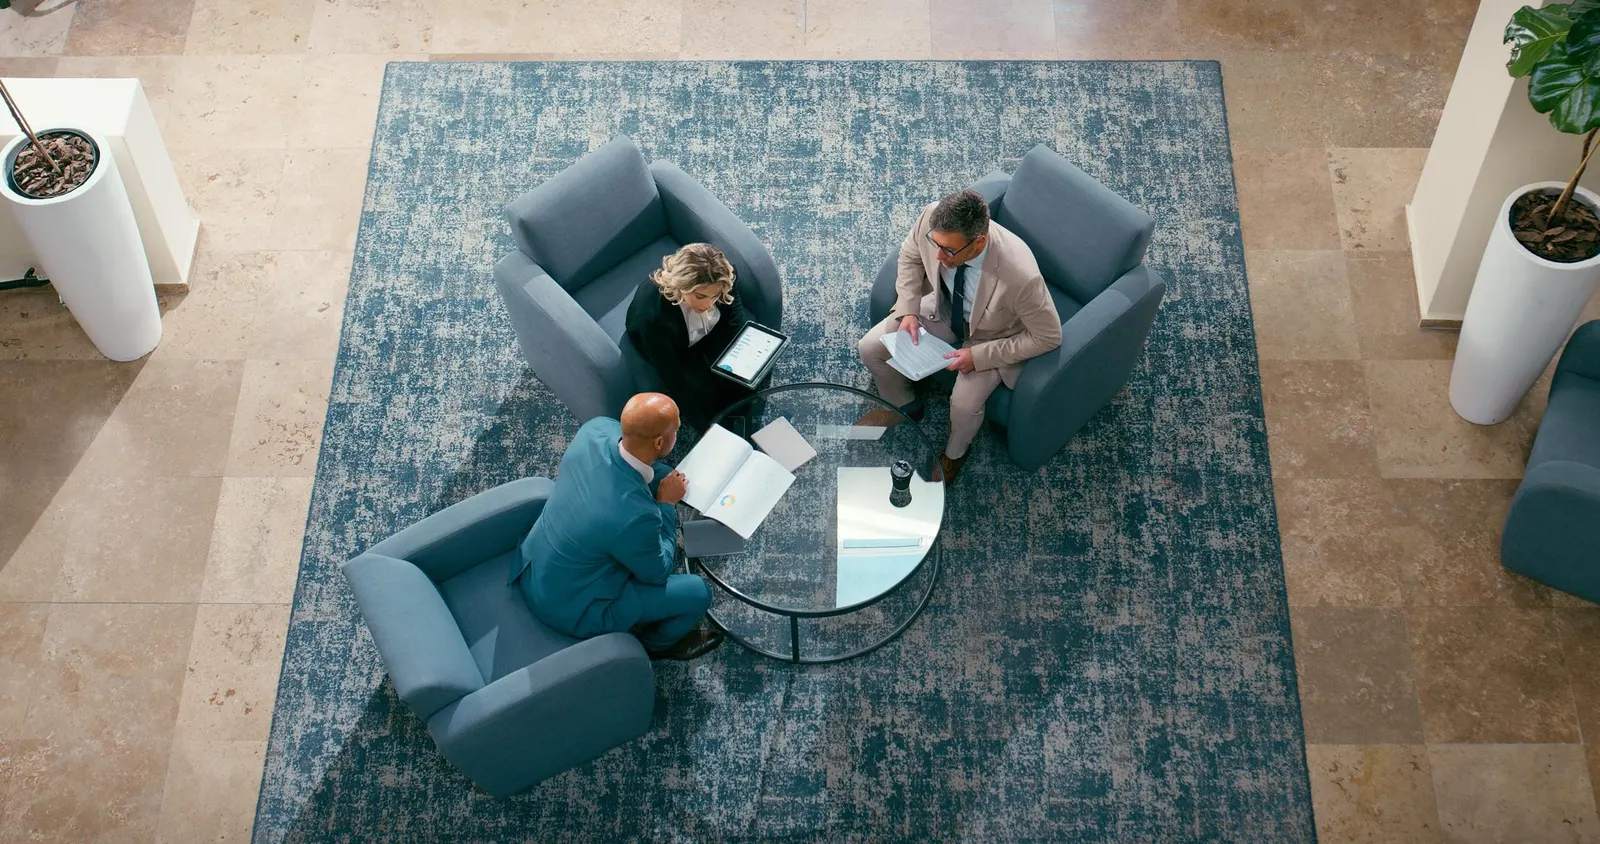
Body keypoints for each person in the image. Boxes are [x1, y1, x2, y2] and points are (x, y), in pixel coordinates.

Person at [856, 189, 1062, 484]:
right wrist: (909, 310)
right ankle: (904, 406)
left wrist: (978, 357)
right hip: (941, 309)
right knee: (870, 348)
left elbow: (1048, 336)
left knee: (964, 405)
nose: (939, 256)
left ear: (979, 242)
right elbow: (911, 255)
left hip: (992, 337)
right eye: (936, 245)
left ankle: (955, 454)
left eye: (949, 251)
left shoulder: (1022, 276)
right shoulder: (932, 216)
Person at [510, 392, 724, 661]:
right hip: (574, 609)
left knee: (657, 475)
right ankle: (655, 645)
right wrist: (666, 505)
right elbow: (659, 571)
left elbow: (639, 463)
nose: (678, 432)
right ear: (659, 441)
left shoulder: (594, 429)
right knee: (698, 593)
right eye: (676, 429)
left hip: (534, 567)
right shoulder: (635, 515)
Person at [626, 243, 763, 432]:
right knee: (707, 397)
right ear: (681, 285)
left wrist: (735, 352)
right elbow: (673, 377)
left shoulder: (722, 277)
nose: (708, 304)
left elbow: (732, 318)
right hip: (672, 346)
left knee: (746, 378)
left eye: (715, 296)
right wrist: (704, 429)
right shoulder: (653, 315)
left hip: (711, 330)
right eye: (700, 296)